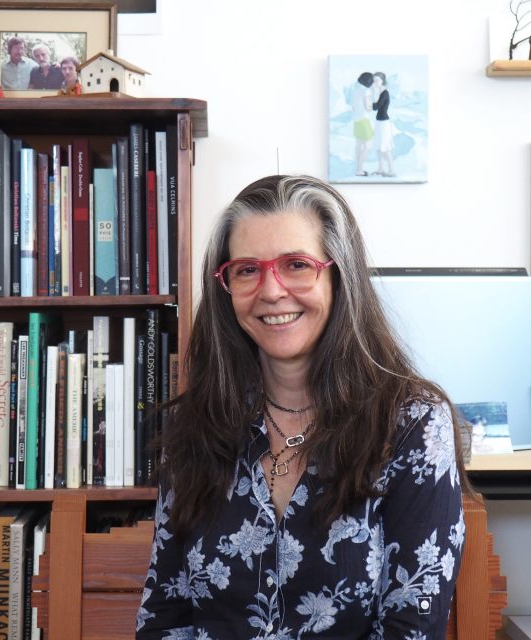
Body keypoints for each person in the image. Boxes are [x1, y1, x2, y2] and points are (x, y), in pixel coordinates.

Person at [136, 175, 467, 639]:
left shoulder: (413, 425)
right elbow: (164, 617)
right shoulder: (196, 425)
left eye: (296, 264)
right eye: (247, 270)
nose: (271, 291)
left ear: (338, 276)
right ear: (225, 287)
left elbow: (410, 628)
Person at [371, 72, 395, 177]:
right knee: (379, 147)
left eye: (377, 80)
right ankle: (381, 169)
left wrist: (367, 101)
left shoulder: (385, 93)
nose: (375, 83)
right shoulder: (381, 92)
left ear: (382, 81)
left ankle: (392, 171)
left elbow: (376, 106)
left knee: (384, 147)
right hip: (380, 122)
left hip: (383, 123)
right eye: (374, 80)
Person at [351, 72, 375, 176]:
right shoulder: (366, 91)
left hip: (356, 120)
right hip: (364, 120)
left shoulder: (356, 91)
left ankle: (357, 168)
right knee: (367, 146)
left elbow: (353, 107)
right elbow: (368, 108)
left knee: (359, 144)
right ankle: (359, 170)